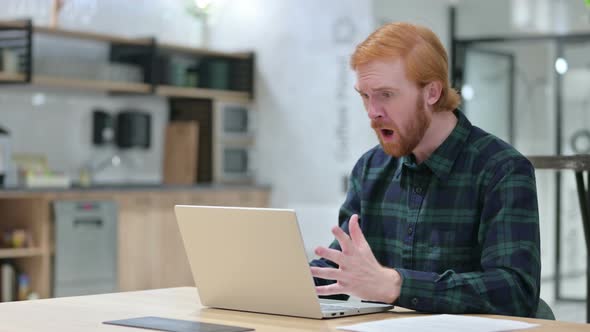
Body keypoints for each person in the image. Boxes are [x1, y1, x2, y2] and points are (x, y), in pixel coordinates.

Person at [309, 22, 554, 319]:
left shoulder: (501, 169)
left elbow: (516, 291)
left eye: (386, 94)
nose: (372, 111)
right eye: (364, 95)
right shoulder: (370, 169)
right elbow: (344, 265)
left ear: (432, 92)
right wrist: (282, 284)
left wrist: (397, 285)